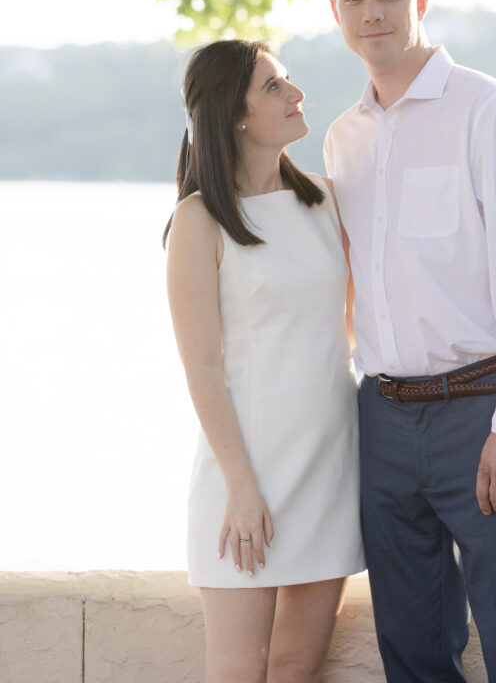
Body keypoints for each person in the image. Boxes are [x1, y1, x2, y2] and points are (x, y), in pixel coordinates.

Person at [323, 0, 496, 683]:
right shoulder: (343, 139)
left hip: (482, 411)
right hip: (384, 420)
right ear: (335, 12)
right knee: (412, 650)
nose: (373, 13)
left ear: (420, 0)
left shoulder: (487, 111)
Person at [164, 39, 364, 683]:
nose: (296, 93)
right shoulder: (199, 221)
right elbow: (201, 368)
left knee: (296, 665)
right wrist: (242, 489)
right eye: (274, 86)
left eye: (289, 79)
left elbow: (358, 330)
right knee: (236, 670)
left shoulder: (329, 202)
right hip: (243, 475)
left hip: (330, 463)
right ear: (235, 115)